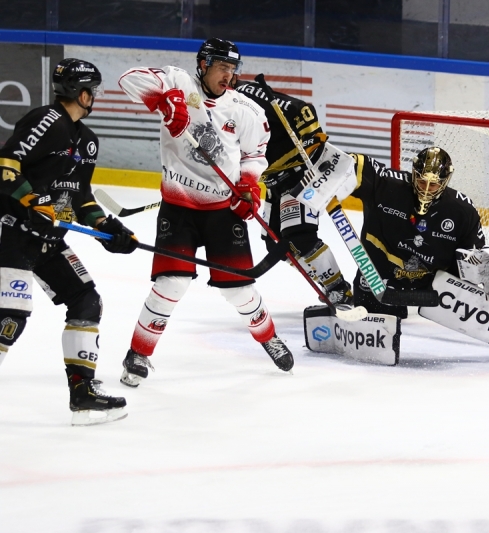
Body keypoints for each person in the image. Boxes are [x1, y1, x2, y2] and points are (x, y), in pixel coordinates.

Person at [117, 37, 293, 387]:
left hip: (222, 211)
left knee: (239, 290)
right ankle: (138, 354)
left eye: (232, 68)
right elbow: (128, 79)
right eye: (221, 67)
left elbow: (255, 157)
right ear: (203, 65)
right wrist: (163, 100)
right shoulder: (177, 82)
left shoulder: (246, 111)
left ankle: (268, 337)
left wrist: (247, 187)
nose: (228, 75)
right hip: (178, 207)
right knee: (171, 284)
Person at [0, 58, 137, 425]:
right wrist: (33, 201)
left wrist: (109, 228)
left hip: (47, 238)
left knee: (86, 300)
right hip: (10, 228)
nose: (96, 96)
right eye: (93, 89)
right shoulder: (47, 121)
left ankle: (83, 395)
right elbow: (6, 165)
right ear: (80, 91)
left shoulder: (86, 141)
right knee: (9, 317)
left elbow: (81, 198)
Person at [233, 74, 353, 306]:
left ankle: (339, 289)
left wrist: (311, 136)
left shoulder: (244, 93)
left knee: (299, 236)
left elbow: (301, 110)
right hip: (272, 181)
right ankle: (324, 278)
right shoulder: (214, 107)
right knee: (275, 242)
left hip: (298, 174)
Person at [345, 147, 489, 318]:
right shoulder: (387, 186)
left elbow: (473, 256)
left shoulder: (463, 211)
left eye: (433, 185)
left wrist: (479, 275)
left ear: (445, 181)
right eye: (422, 181)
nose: (426, 190)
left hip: (435, 296)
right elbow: (358, 166)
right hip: (377, 285)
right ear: (413, 173)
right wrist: (338, 163)